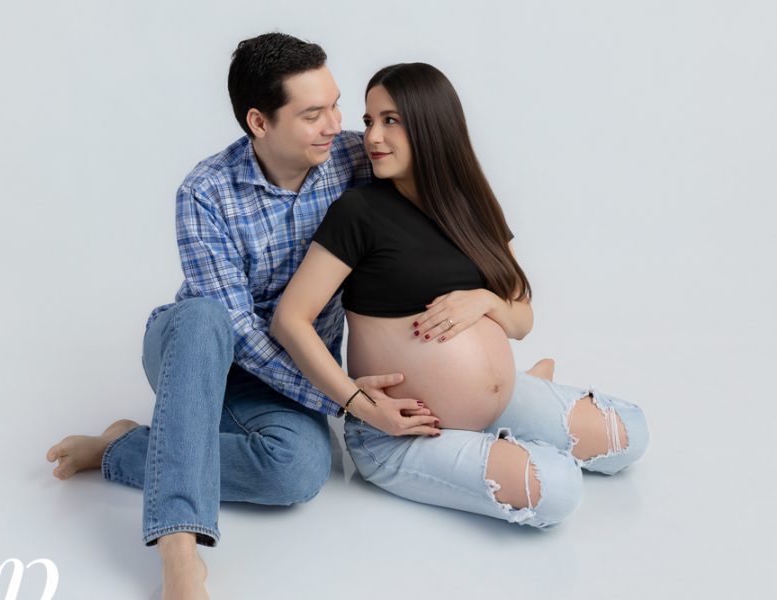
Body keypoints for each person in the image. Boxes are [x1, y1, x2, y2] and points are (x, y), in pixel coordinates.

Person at [44, 33, 380, 600]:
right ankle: (179, 548)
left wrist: (489, 302)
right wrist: (346, 398)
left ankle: (126, 447)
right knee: (205, 316)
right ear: (259, 122)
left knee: (299, 471)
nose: (335, 124)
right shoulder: (205, 192)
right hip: (198, 353)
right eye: (312, 114)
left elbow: (439, 201)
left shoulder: (353, 160)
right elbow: (242, 333)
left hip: (292, 374)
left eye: (336, 105)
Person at [271, 62, 650, 529]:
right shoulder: (359, 212)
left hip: (501, 401)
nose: (372, 137)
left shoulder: (472, 206)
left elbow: (522, 320)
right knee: (558, 489)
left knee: (631, 434)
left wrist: (486, 301)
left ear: (431, 124)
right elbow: (290, 319)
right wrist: (360, 405)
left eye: (391, 120)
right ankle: (503, 424)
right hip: (401, 433)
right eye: (369, 121)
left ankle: (503, 408)